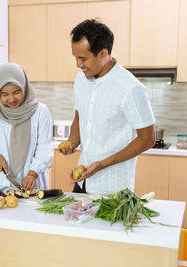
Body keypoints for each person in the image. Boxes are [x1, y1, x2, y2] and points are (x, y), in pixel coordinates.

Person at [58, 19, 156, 195]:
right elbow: (80, 117)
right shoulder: (81, 80)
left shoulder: (130, 88)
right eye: (75, 57)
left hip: (114, 189)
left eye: (82, 58)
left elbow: (148, 138)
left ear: (103, 54)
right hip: (82, 183)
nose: (78, 65)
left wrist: (102, 164)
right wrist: (72, 143)